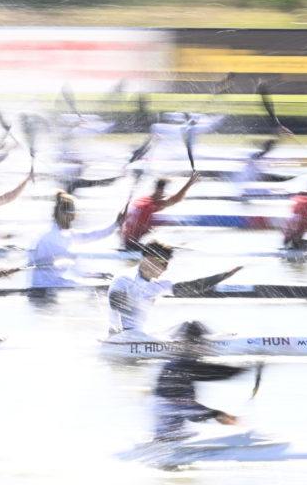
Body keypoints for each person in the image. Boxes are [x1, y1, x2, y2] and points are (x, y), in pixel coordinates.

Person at [107, 241, 241, 336]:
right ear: (149, 260)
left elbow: (192, 287)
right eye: (163, 263)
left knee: (190, 325)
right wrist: (117, 338)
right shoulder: (124, 279)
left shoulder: (157, 285)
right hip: (122, 339)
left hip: (139, 337)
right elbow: (115, 303)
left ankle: (218, 340)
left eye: (167, 264)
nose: (166, 268)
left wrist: (224, 275)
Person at [152, 320, 251, 442]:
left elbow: (211, 372)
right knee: (217, 416)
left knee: (215, 416)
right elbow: (213, 373)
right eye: (202, 344)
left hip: (168, 413)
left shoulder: (177, 361)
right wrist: (246, 369)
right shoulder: (184, 364)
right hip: (171, 414)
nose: (206, 348)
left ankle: (167, 440)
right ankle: (168, 441)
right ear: (193, 344)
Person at [28, 191, 122, 289]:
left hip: (51, 284)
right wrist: (96, 275)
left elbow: (93, 235)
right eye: (72, 213)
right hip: (46, 287)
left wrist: (116, 224)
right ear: (67, 215)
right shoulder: (53, 238)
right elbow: (75, 269)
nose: (74, 217)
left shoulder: (65, 234)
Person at [120, 174, 199, 251]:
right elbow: (175, 200)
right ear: (160, 190)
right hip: (133, 245)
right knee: (170, 249)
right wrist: (189, 184)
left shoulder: (141, 200)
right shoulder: (151, 205)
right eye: (166, 192)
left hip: (125, 241)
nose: (167, 195)